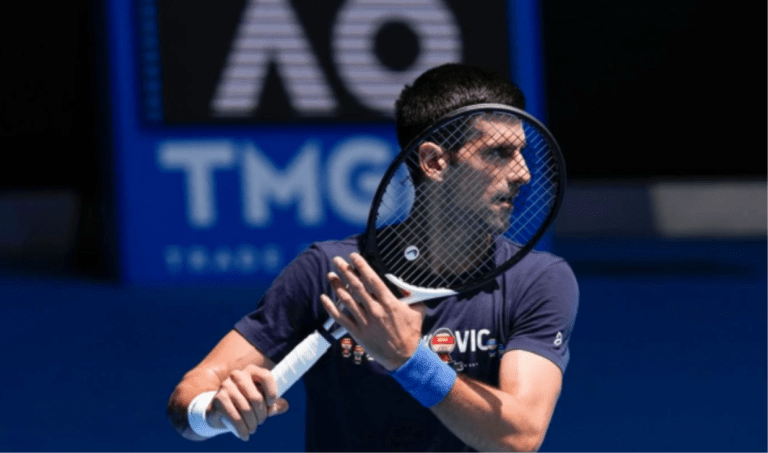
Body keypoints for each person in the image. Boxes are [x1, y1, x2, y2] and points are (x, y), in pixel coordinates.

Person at [167, 63, 579, 453]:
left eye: (521, 152)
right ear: (435, 162)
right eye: (499, 153)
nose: (523, 173)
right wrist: (214, 411)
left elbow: (520, 436)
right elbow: (187, 401)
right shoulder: (329, 272)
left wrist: (409, 359)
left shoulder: (536, 281)